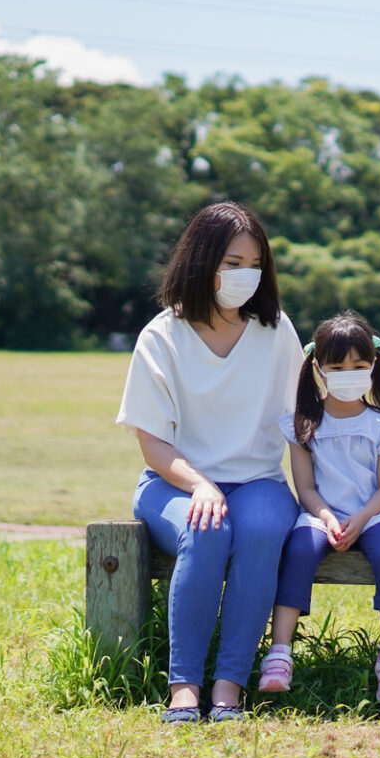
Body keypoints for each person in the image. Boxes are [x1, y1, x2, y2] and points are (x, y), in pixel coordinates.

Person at [116, 201, 303, 723]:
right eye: (231, 263)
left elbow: (300, 427)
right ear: (201, 262)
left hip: (258, 480)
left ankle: (228, 687)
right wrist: (200, 485)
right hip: (172, 483)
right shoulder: (160, 336)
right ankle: (183, 687)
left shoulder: (277, 331)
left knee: (263, 529)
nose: (245, 275)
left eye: (253, 264)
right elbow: (153, 445)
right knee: (208, 528)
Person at [258, 312, 380, 706]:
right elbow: (306, 489)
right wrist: (328, 518)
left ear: (373, 366)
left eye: (359, 366)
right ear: (318, 368)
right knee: (299, 552)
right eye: (337, 366)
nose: (349, 372)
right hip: (320, 514)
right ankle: (280, 653)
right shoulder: (302, 425)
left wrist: (361, 520)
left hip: (374, 515)